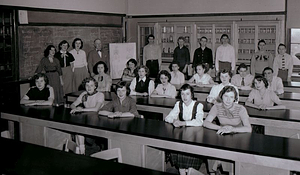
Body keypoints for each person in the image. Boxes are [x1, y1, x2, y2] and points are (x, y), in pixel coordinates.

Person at [164, 84, 204, 174]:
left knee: (190, 158)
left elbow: (199, 122)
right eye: (182, 94)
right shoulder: (179, 104)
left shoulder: (198, 105)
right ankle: (182, 171)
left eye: (187, 94)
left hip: (195, 135)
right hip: (182, 134)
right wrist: (174, 120)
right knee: (179, 154)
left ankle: (190, 171)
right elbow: (168, 118)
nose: (184, 97)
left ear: (192, 95)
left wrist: (183, 123)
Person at [70, 77, 105, 155]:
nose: (89, 88)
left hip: (98, 121)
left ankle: (82, 150)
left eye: (91, 85)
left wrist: (81, 109)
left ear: (95, 86)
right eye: (87, 85)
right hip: (87, 119)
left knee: (81, 131)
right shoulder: (84, 94)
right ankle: (81, 151)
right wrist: (75, 108)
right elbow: (72, 104)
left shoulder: (100, 95)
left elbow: (96, 109)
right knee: (78, 129)